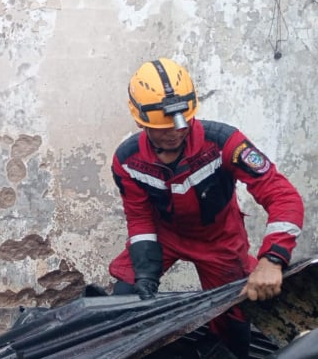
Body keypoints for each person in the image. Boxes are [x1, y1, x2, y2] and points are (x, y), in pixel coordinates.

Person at [108, 58, 303, 358]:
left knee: (232, 325)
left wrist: (273, 258)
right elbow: (140, 218)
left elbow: (283, 196)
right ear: (141, 120)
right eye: (164, 127)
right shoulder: (128, 160)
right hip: (166, 236)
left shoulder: (224, 143)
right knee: (125, 300)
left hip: (220, 239)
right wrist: (146, 273)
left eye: (183, 120)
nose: (176, 131)